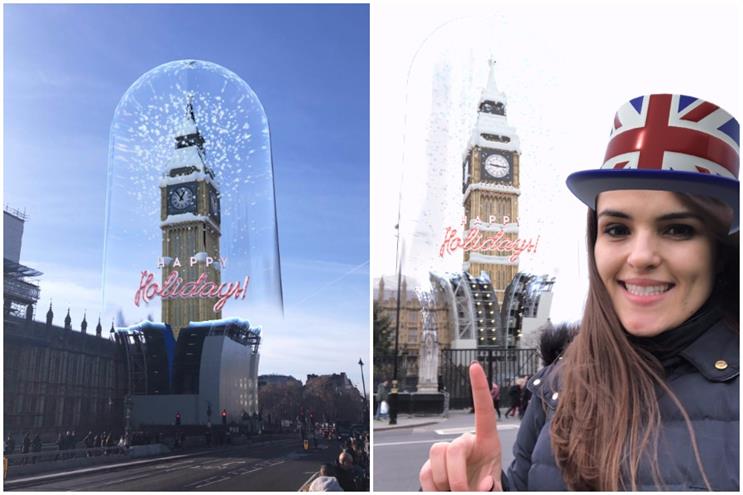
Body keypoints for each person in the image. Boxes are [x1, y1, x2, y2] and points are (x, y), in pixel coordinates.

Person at [419, 94, 739, 491]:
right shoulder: (556, 386)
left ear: (721, 249)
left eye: (677, 229)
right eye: (617, 229)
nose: (639, 257)